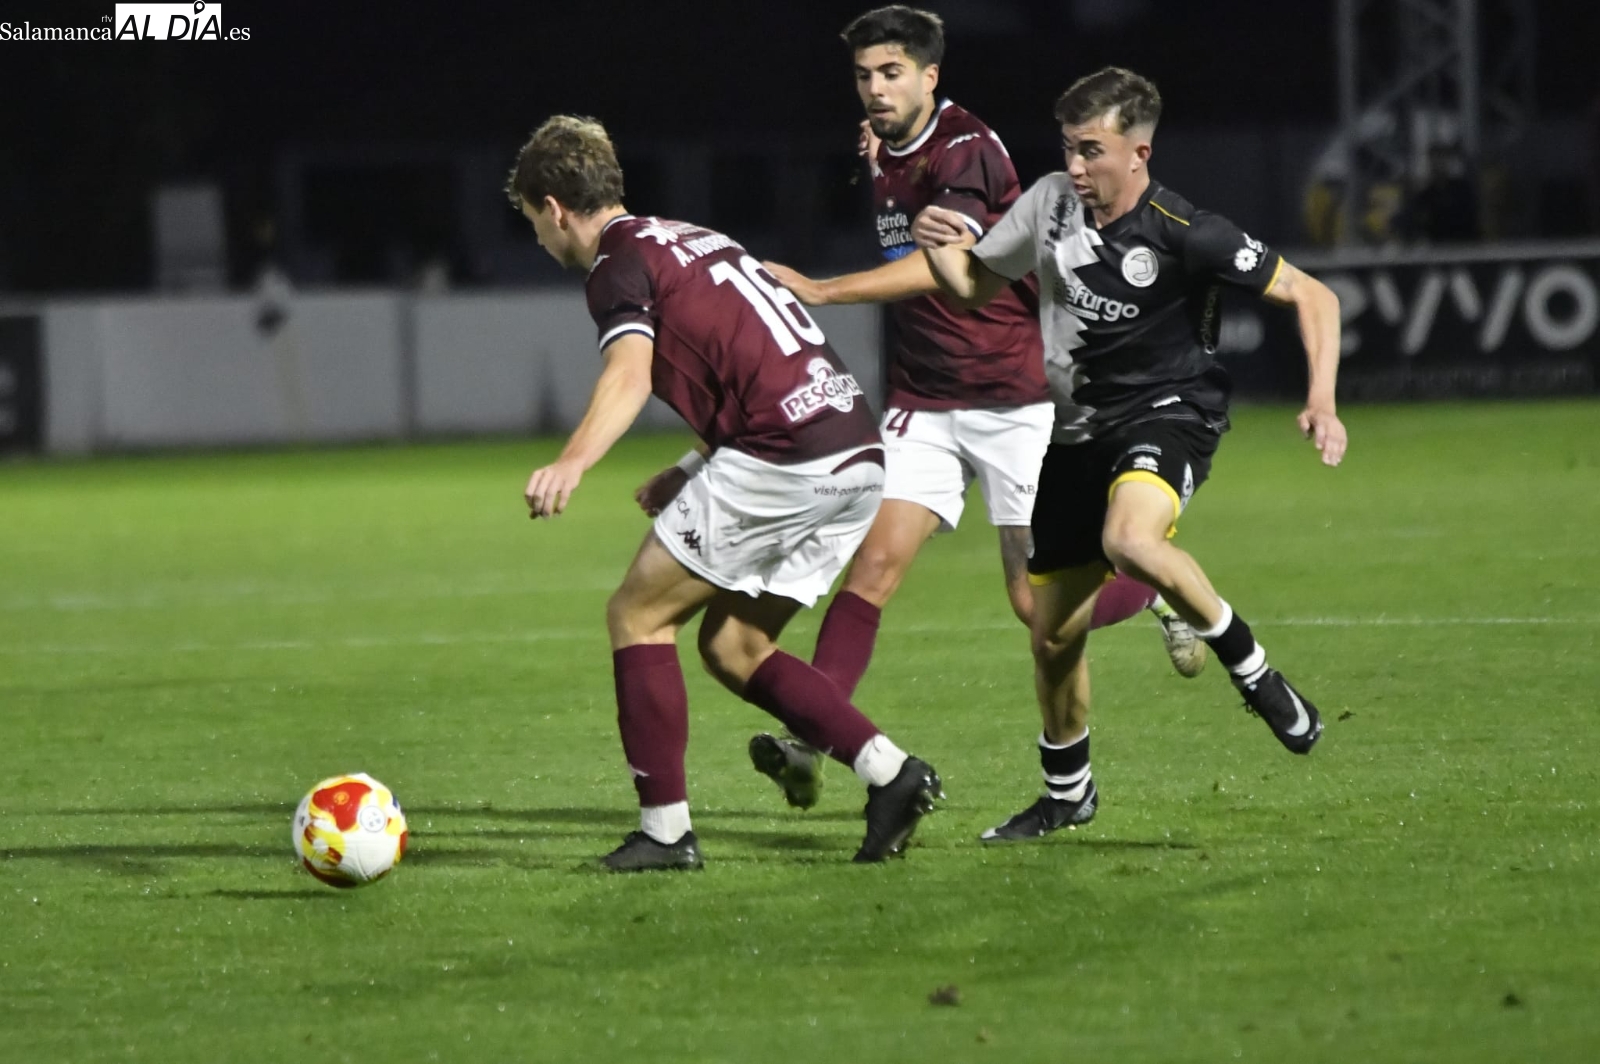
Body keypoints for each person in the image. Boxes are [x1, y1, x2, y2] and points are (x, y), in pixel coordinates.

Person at [750, 7, 1203, 812]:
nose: (875, 89)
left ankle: (1157, 589)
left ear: (930, 76)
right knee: (874, 570)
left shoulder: (964, 150)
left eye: (892, 73)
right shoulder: (885, 146)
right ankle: (812, 741)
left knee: (1033, 604)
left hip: (1013, 398)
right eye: (864, 75)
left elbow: (945, 267)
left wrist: (823, 290)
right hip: (925, 399)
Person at [920, 67, 1348, 841]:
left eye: (1091, 150)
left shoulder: (1186, 231)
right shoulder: (1050, 202)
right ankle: (1067, 793)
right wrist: (940, 248)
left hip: (1168, 414)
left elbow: (1315, 296)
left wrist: (1320, 399)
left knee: (1130, 539)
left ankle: (1255, 674)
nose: (1075, 165)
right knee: (1051, 633)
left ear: (1138, 152)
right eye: (1068, 148)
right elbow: (978, 284)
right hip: (1075, 434)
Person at [507, 115, 943, 870]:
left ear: (554, 208)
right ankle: (892, 775)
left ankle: (665, 835)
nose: (540, 241)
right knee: (734, 646)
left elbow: (630, 373)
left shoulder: (615, 265)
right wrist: (692, 464)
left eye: (532, 223)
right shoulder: (693, 238)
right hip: (854, 449)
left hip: (785, 458)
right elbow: (754, 360)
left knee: (638, 616)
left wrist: (573, 461)